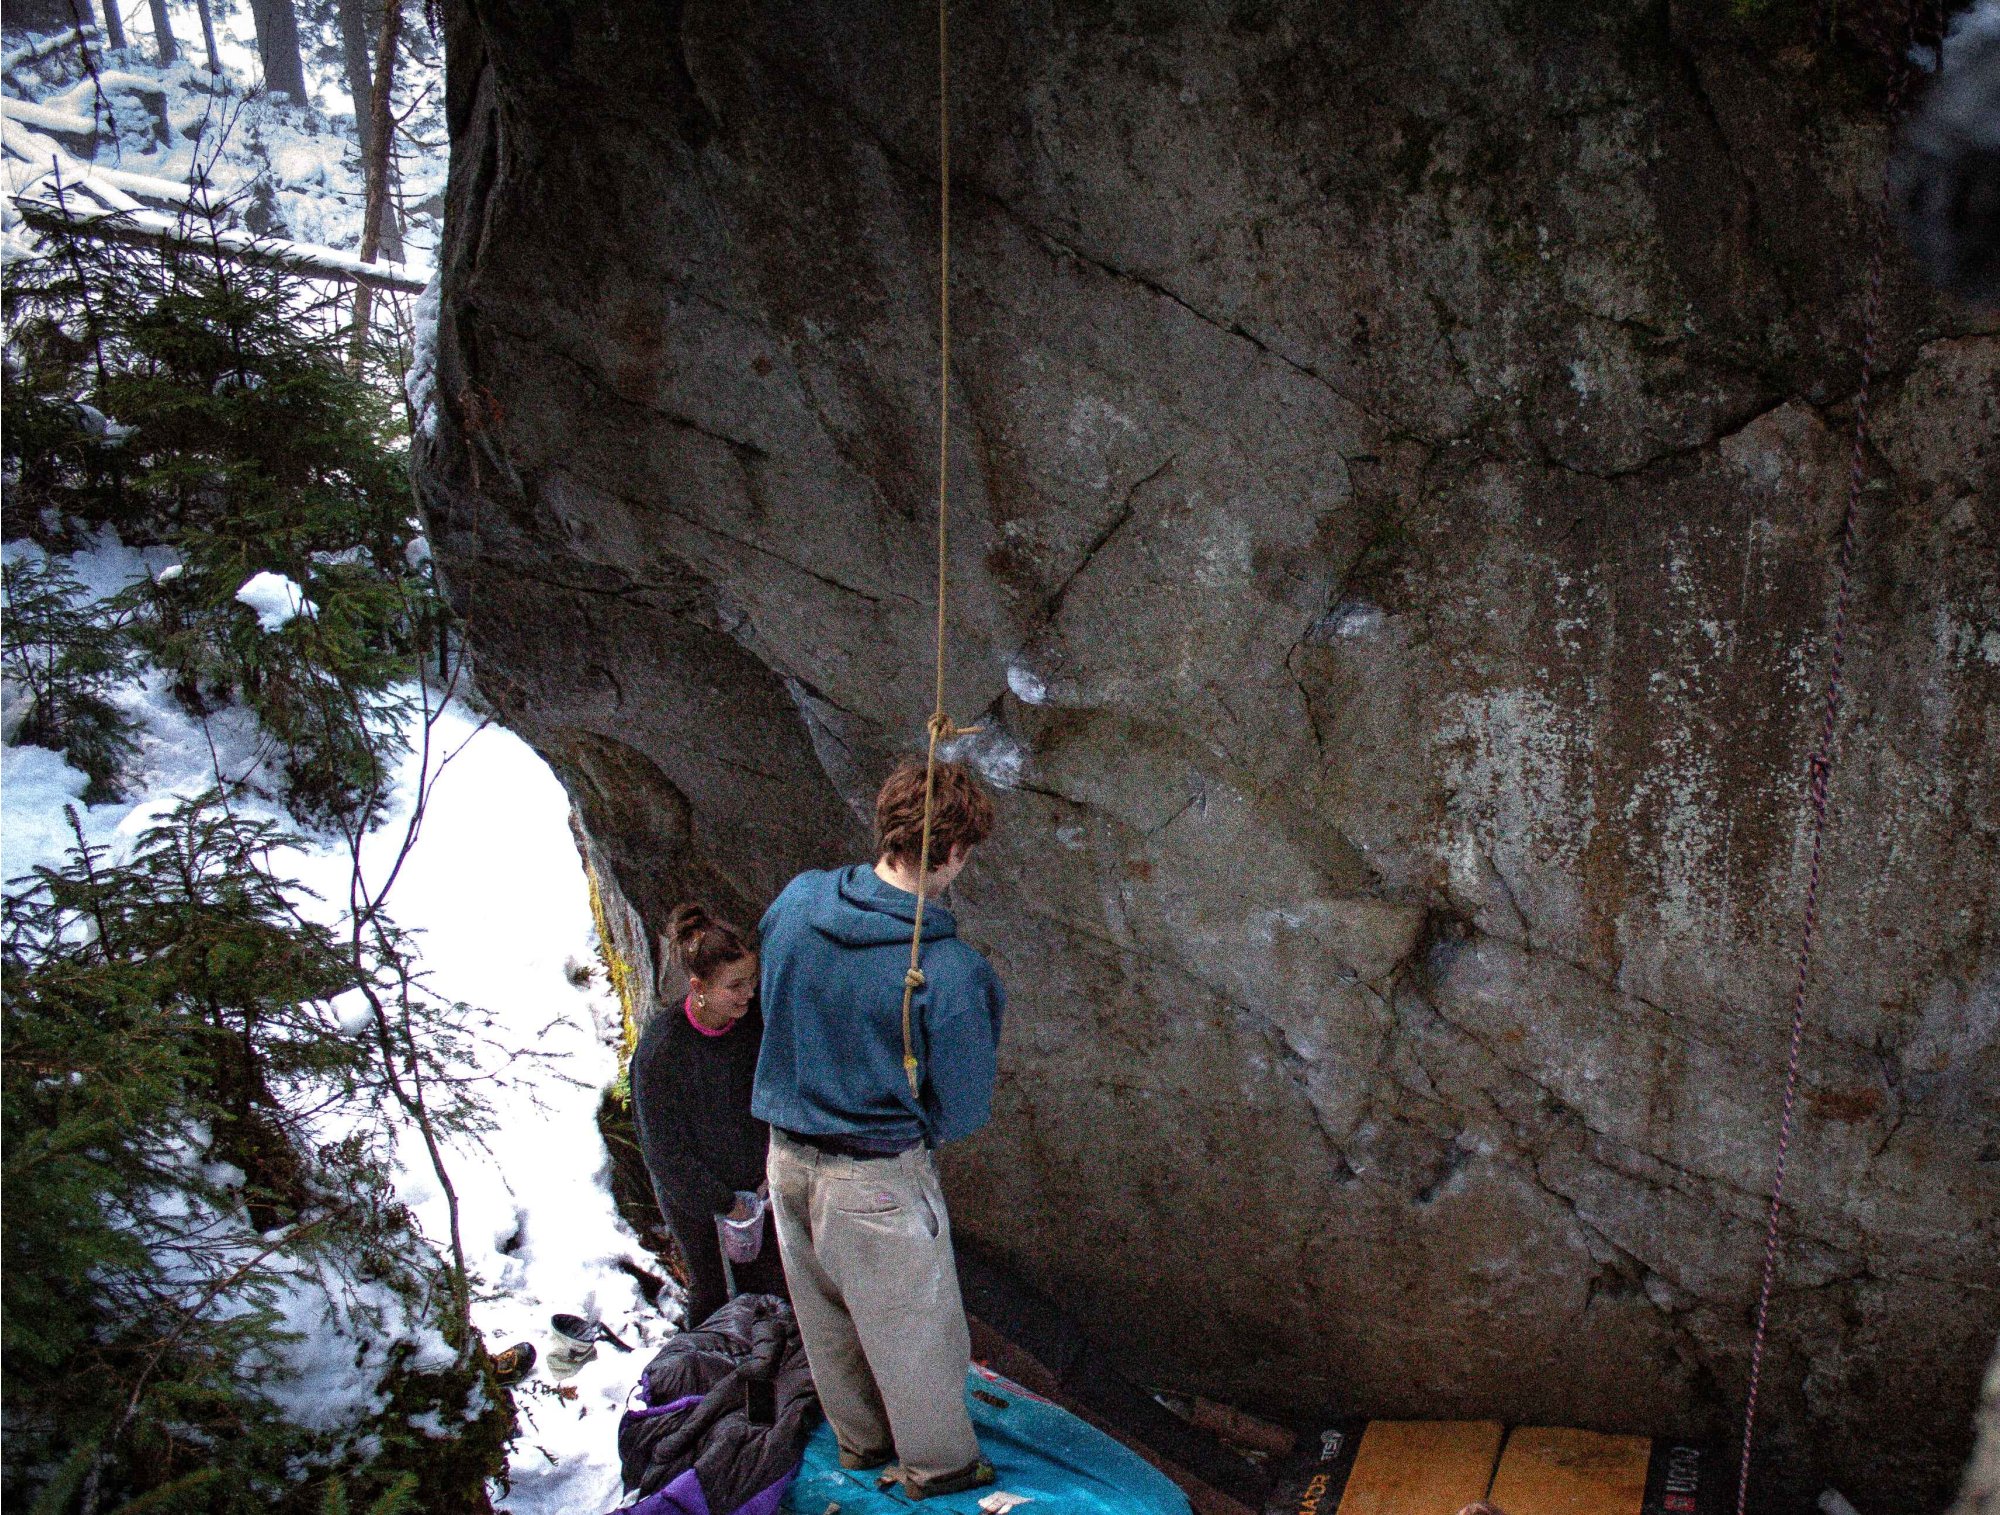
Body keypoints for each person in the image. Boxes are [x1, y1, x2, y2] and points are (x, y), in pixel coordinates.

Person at [753, 758, 1005, 1501]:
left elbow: (774, 992)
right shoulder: (946, 970)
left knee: (827, 1320)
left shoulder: (799, 900)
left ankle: (860, 1444)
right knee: (916, 1337)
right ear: (953, 852)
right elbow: (963, 1104)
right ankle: (941, 1468)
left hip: (785, 1157)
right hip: (874, 1177)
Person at [630, 903, 787, 1332]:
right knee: (713, 1290)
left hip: (759, 1183)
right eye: (734, 986)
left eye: (751, 981)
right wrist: (726, 1203)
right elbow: (665, 1154)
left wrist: (770, 1167)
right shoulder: (662, 1052)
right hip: (697, 1197)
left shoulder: (751, 1022)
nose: (748, 993)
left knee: (772, 1284)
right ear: (698, 987)